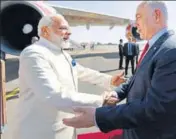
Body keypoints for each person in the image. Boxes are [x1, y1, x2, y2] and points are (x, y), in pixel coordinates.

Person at [62, 1, 176, 139]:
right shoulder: (154, 47)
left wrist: (97, 116)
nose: (135, 24)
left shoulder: (170, 51)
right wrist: (116, 94)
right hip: (134, 131)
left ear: (157, 15)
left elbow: (155, 109)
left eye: (138, 17)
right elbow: (135, 80)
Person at [12, 14, 126, 139]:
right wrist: (100, 101)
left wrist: (109, 80)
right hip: (42, 132)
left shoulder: (62, 54)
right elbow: (53, 94)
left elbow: (81, 71)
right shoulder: (34, 54)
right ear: (45, 30)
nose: (69, 33)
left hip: (66, 128)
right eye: (63, 28)